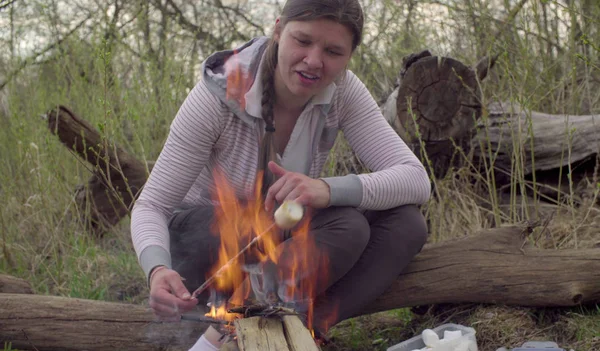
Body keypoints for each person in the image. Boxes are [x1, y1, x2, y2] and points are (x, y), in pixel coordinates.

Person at [130, 0, 431, 349]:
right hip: (210, 251)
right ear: (277, 31)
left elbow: (415, 179)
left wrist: (325, 189)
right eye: (303, 41)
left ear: (349, 56)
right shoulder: (219, 94)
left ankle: (304, 331)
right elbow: (151, 206)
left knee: (404, 226)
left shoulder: (344, 91)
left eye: (333, 51)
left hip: (279, 246)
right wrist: (157, 269)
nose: (314, 60)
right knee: (345, 227)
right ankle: (223, 332)